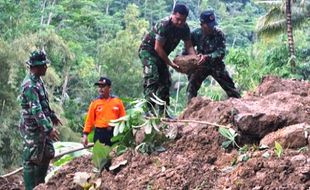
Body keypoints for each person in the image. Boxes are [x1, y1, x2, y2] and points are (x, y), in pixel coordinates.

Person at [139, 3, 196, 117]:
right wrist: (170, 63)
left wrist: (195, 59)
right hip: (148, 51)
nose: (180, 22)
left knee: (165, 82)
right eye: (178, 19)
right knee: (152, 77)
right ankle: (149, 111)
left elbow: (189, 46)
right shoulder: (164, 25)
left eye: (183, 20)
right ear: (173, 15)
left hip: (161, 54)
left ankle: (163, 112)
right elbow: (157, 47)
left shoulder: (184, 28)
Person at [19, 50, 61, 190]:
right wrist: (48, 128)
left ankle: (39, 184)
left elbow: (42, 104)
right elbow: (36, 110)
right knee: (30, 159)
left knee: (48, 152)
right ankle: (31, 187)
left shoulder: (38, 80)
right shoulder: (29, 85)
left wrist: (52, 115)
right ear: (36, 67)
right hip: (33, 130)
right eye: (44, 65)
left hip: (41, 127)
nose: (46, 68)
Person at [186, 10, 241, 103]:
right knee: (191, 87)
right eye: (209, 25)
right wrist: (193, 57)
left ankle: (239, 106)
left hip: (216, 65)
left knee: (230, 88)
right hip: (201, 65)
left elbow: (221, 52)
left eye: (213, 24)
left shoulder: (219, 34)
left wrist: (207, 56)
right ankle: (190, 109)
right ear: (202, 24)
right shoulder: (196, 34)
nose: (212, 27)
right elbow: (188, 48)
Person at [82, 77, 126, 147]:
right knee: (100, 156)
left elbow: (123, 118)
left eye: (103, 86)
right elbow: (89, 120)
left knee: (114, 155)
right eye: (99, 86)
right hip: (100, 134)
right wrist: (85, 135)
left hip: (114, 133)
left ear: (109, 88)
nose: (100, 88)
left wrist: (124, 134)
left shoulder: (118, 102)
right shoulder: (95, 103)